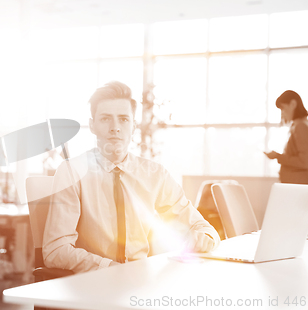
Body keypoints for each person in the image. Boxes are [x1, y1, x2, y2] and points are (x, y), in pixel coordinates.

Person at [42, 81, 219, 273]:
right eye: (105, 119)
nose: (115, 128)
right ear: (92, 125)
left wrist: (204, 237)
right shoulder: (71, 172)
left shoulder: (155, 174)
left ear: (133, 126)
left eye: (124, 119)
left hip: (142, 282)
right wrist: (109, 267)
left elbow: (203, 227)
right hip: (94, 282)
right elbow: (55, 250)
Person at [264, 90, 308, 185]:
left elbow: (305, 162)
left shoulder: (301, 126)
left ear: (293, 104)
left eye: (283, 108)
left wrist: (278, 156)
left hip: (298, 188)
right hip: (296, 187)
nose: (282, 113)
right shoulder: (299, 125)